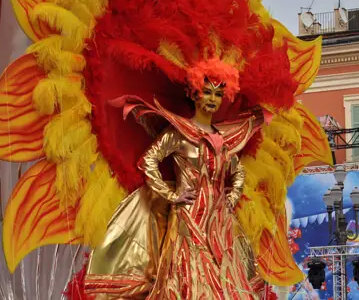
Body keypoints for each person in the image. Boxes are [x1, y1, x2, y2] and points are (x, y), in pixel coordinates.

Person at [83, 59, 267, 299]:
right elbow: (147, 161)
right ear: (194, 93)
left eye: (218, 94)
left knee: (224, 278)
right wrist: (171, 195)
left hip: (219, 222)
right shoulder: (178, 133)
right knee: (188, 274)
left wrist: (230, 199)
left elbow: (237, 171)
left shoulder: (223, 139)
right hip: (187, 217)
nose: (212, 99)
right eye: (207, 92)